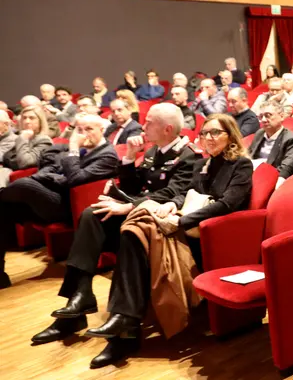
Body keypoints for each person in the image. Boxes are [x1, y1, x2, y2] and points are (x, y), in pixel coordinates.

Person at [83, 114, 252, 368]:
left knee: (136, 235)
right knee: (132, 233)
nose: (208, 138)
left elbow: (228, 204)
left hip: (212, 235)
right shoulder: (202, 164)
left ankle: (125, 329)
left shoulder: (241, 164)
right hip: (188, 225)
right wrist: (173, 205)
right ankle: (124, 323)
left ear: (231, 135)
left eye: (216, 132)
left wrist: (181, 221)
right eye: (204, 133)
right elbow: (187, 193)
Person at [30, 103, 199, 345]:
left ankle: (123, 327)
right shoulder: (153, 152)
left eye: (149, 122)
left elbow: (172, 193)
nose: (143, 125)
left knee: (126, 230)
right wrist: (129, 157)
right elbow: (133, 187)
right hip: (139, 214)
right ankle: (80, 297)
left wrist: (129, 207)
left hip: (159, 223)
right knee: (92, 214)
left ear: (167, 129)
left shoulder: (189, 155)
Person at [0, 113, 120, 288]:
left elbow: (75, 179)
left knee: (25, 184)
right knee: (3, 210)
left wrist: (73, 149)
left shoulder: (107, 156)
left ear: (102, 130)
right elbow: (48, 170)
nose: (83, 134)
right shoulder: (78, 151)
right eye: (79, 129)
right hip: (51, 198)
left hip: (70, 207)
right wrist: (58, 178)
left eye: (89, 129)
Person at [0, 106, 51, 185]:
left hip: (28, 182)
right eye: (24, 118)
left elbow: (25, 163)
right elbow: (7, 159)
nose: (27, 121)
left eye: (32, 118)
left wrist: (23, 139)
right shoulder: (21, 137)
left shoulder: (44, 141)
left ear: (40, 121)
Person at [248, 100, 293, 170]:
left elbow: (286, 168)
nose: (263, 120)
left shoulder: (291, 139)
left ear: (281, 116)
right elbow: (249, 155)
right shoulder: (260, 133)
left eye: (268, 115)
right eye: (261, 116)